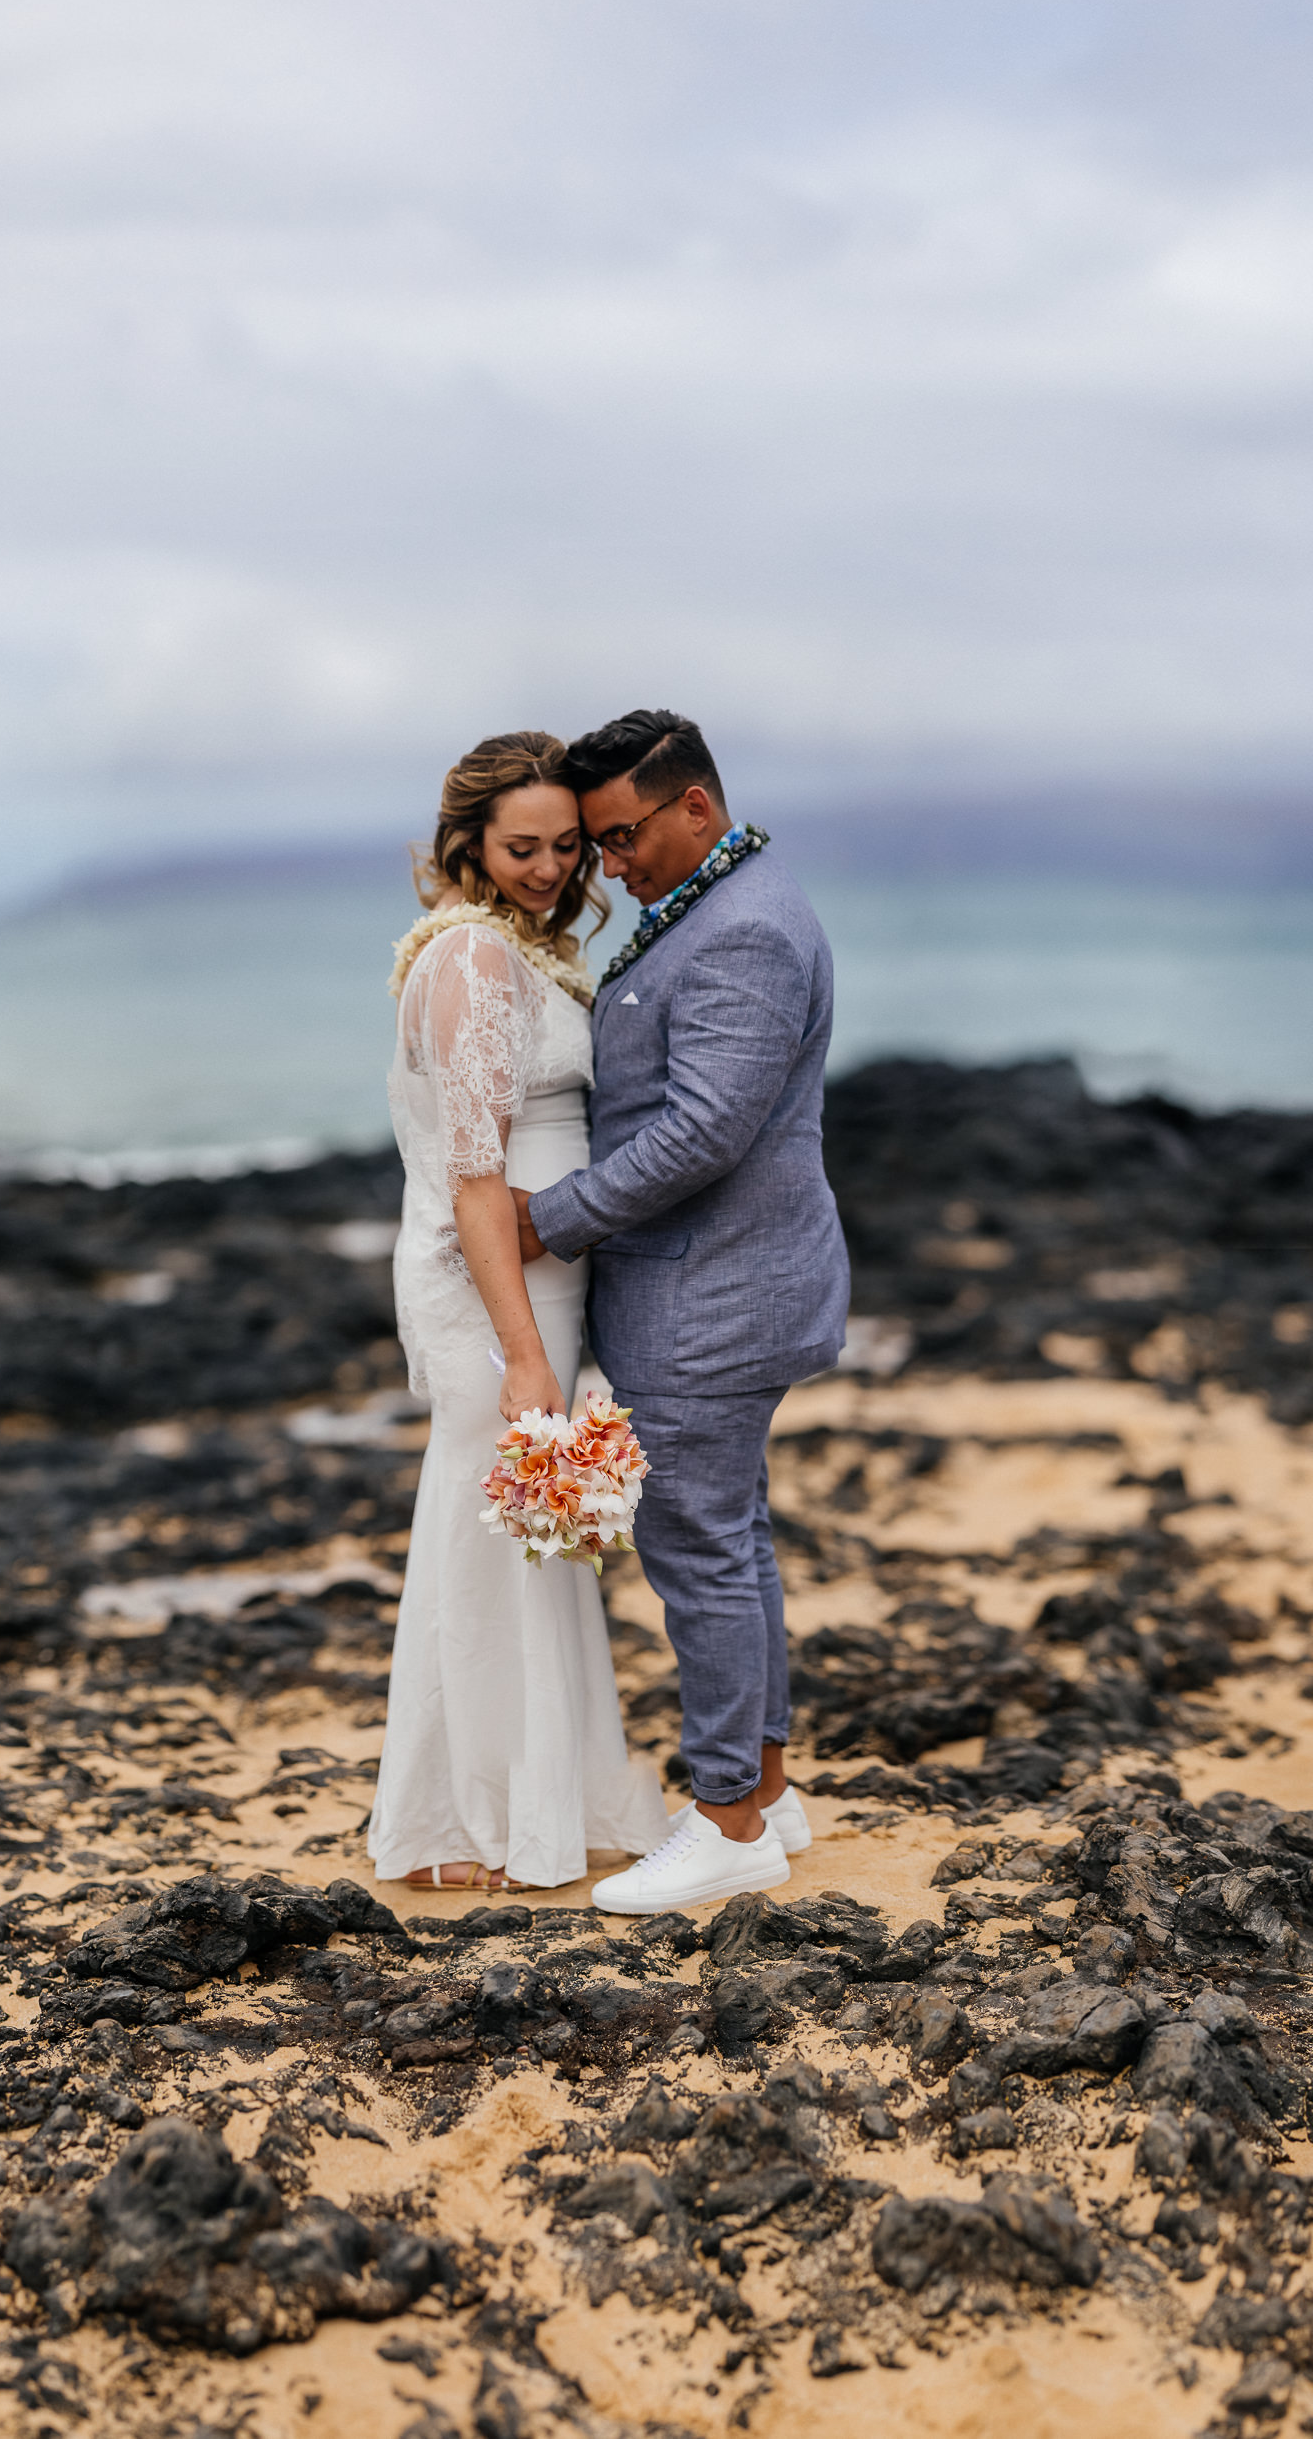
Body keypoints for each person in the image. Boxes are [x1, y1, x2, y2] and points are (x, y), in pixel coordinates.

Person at [513, 710, 851, 1912]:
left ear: (693, 807)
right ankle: (760, 1787)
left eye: (617, 836)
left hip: (713, 1294)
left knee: (697, 1552)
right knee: (734, 1540)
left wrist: (548, 1217)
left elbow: (704, 1130)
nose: (606, 865)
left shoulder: (747, 930)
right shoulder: (725, 901)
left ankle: (726, 1824)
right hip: (723, 1284)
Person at [366, 732, 671, 1894]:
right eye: (522, 848)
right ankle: (463, 1819)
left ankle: (537, 1796)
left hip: (532, 1278)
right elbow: (477, 1174)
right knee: (486, 1532)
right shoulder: (476, 963)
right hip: (495, 1288)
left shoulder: (507, 951)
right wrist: (527, 1352)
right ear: (470, 847)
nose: (550, 868)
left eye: (563, 846)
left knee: (532, 1539)